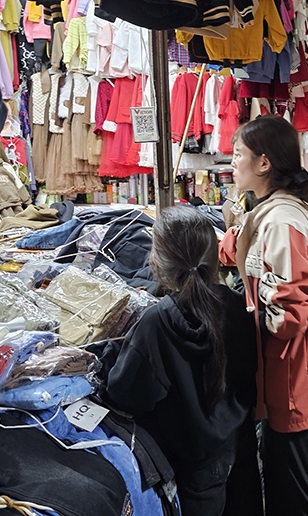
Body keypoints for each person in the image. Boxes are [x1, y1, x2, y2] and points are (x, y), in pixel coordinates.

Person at [220, 116, 308, 515]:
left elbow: (289, 316)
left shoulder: (281, 223)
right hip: (290, 381)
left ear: (263, 163)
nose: (232, 162)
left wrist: (245, 316)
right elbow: (244, 252)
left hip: (297, 383)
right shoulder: (271, 213)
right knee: (286, 492)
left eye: (238, 154)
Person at [106, 206, 261, 516]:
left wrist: (112, 351)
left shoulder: (155, 322)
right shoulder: (237, 307)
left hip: (191, 466)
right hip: (237, 448)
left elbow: (127, 394)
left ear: (158, 263)